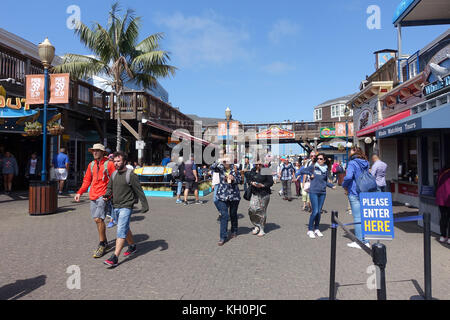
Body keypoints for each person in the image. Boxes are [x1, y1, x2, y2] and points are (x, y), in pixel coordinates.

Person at [103, 151, 149, 267]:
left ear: (124, 162)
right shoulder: (113, 175)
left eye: (119, 161)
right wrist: (106, 196)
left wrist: (145, 205)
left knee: (121, 230)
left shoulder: (131, 175)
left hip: (126, 206)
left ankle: (114, 257)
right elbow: (109, 188)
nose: (116, 163)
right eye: (115, 161)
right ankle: (132, 246)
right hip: (116, 206)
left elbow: (139, 190)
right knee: (125, 227)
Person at [74, 144, 116, 258]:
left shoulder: (109, 164)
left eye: (97, 151)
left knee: (98, 219)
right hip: (93, 195)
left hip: (103, 195)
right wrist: (79, 192)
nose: (95, 153)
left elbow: (114, 180)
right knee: (97, 220)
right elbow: (87, 180)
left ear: (103, 152)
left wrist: (110, 194)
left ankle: (102, 244)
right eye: (93, 151)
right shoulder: (91, 165)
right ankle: (105, 242)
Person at [299, 153, 335, 238]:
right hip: (313, 191)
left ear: (324, 160)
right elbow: (302, 171)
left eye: (321, 159)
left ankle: (317, 228)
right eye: (318, 158)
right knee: (315, 211)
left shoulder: (326, 169)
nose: (319, 160)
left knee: (319, 212)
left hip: (322, 192)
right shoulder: (313, 167)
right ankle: (310, 230)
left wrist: (331, 185)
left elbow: (325, 181)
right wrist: (309, 173)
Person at [342, 147, 372, 249]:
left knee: (358, 217)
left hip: (355, 191)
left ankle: (359, 242)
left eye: (350, 152)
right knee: (364, 217)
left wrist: (344, 184)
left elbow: (349, 177)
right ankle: (366, 240)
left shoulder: (352, 163)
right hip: (365, 190)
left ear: (354, 153)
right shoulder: (366, 162)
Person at [211, 155, 242, 246]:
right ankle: (222, 237)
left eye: (227, 161)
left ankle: (234, 230)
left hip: (234, 196)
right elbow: (212, 167)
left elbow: (240, 180)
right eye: (224, 161)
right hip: (222, 195)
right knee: (224, 215)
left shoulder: (235, 168)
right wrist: (219, 160)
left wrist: (234, 179)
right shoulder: (220, 168)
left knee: (233, 214)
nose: (225, 163)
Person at [248, 160, 273, 237]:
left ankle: (261, 228)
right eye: (257, 163)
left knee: (262, 211)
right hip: (254, 193)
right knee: (252, 210)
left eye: (260, 163)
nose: (258, 165)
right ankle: (256, 225)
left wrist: (263, 185)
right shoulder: (252, 170)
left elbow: (270, 182)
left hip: (264, 194)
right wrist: (251, 183)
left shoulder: (266, 170)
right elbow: (249, 179)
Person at [436, 165, 450, 244]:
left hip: (441, 197)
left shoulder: (442, 171)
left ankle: (443, 236)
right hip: (448, 197)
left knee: (443, 217)